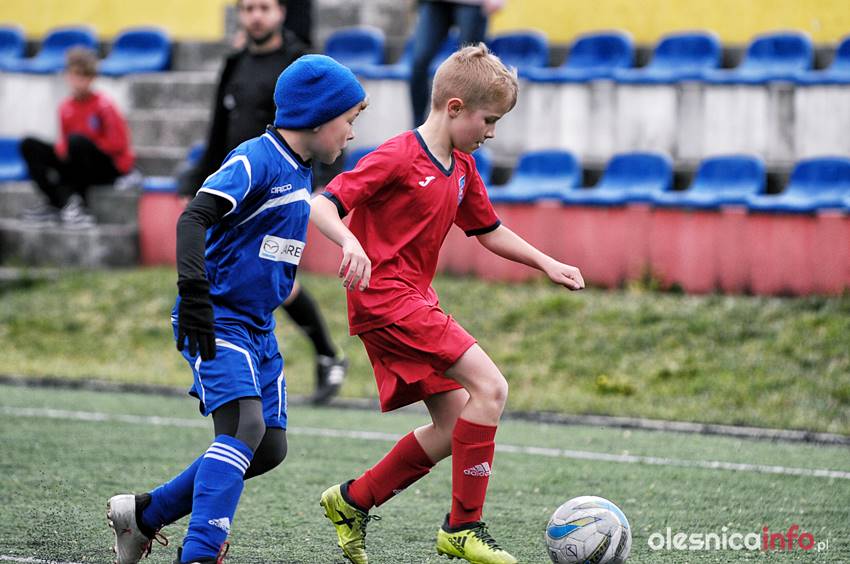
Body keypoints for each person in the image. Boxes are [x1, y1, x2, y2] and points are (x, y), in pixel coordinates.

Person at [311, 44, 584, 564]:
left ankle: (353, 500)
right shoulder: (396, 156)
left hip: (412, 300)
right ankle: (463, 528)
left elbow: (489, 230)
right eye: (489, 120)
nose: (492, 133)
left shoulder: (462, 168)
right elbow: (322, 203)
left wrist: (546, 263)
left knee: (456, 425)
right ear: (455, 107)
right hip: (387, 300)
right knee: (491, 388)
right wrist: (349, 242)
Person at [106, 54, 368, 564]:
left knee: (269, 447)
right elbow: (193, 218)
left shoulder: (300, 172)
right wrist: (194, 293)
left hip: (257, 329)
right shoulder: (256, 159)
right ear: (317, 117)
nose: (352, 133)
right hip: (216, 317)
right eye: (349, 120)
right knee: (245, 427)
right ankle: (200, 553)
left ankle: (144, 515)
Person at [181, 0, 349, 404]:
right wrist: (200, 181)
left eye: (264, 7)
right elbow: (219, 127)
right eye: (248, 8)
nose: (256, 16)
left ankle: (324, 354)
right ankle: (314, 356)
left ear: (281, 12)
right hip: (238, 191)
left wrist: (317, 183)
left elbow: (322, 127)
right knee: (266, 276)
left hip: (281, 190)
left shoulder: (298, 61)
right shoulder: (234, 63)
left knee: (276, 276)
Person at [20, 46, 134, 226]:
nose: (78, 81)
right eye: (74, 75)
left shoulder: (104, 105)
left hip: (105, 168)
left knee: (77, 142)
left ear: (92, 78)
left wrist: (86, 144)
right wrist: (63, 149)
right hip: (76, 159)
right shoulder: (65, 107)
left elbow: (118, 144)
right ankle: (56, 203)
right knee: (29, 145)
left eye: (83, 76)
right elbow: (64, 141)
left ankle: (81, 205)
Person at [409, 0, 505, 127]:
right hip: (434, 3)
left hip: (472, 4)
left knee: (473, 65)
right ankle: (418, 127)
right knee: (419, 61)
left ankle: (469, 126)